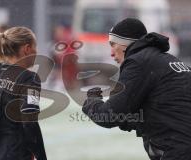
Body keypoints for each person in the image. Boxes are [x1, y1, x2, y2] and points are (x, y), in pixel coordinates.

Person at [82, 18, 191, 160]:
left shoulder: (138, 62)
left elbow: (109, 116)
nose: (111, 53)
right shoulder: (170, 61)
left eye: (113, 44)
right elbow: (165, 111)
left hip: (177, 151)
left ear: (125, 44)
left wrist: (92, 101)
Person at [0, 26, 47, 160]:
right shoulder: (28, 78)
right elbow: (29, 122)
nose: (37, 52)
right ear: (27, 49)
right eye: (35, 47)